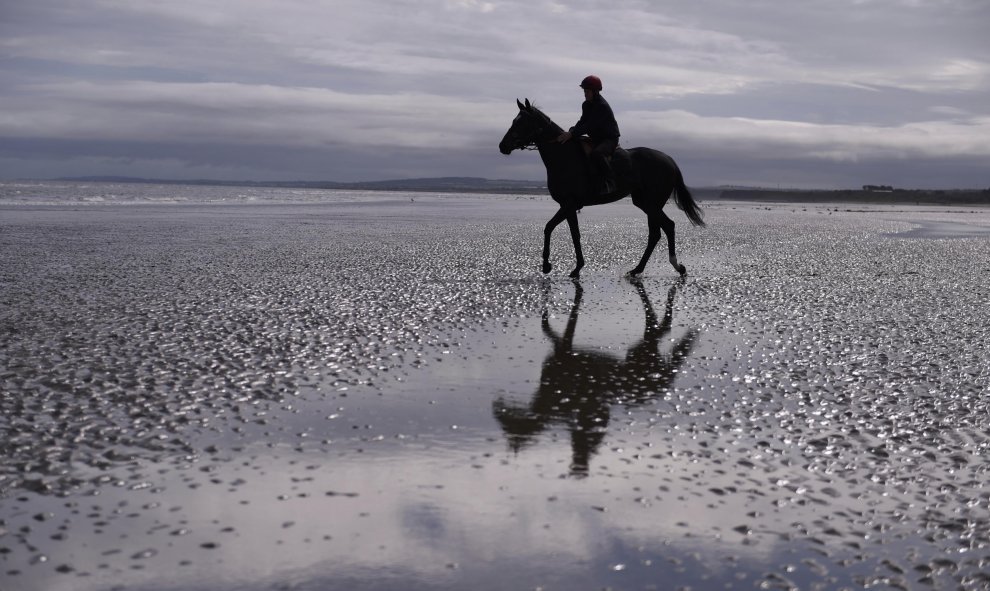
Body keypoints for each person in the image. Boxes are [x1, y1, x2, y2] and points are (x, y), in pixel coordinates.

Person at [556, 75, 621, 195]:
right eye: (584, 91)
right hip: (596, 138)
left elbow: (590, 125)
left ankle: (610, 181)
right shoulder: (586, 105)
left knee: (597, 154)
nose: (585, 94)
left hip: (609, 139)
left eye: (587, 91)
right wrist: (572, 131)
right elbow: (583, 121)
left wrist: (572, 133)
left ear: (595, 92)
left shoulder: (602, 106)